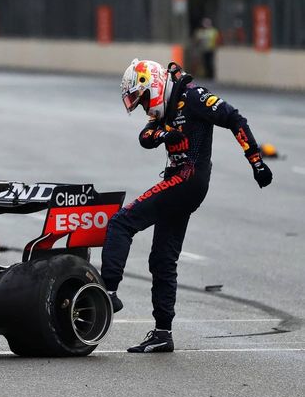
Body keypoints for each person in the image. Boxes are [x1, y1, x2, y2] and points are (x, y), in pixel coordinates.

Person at [101, 59, 272, 353]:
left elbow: (235, 118)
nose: (143, 107)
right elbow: (145, 137)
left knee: (121, 222)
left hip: (187, 180)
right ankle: (162, 333)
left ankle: (107, 293)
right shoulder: (167, 103)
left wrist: (255, 162)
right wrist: (164, 134)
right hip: (180, 182)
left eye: (142, 100)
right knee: (162, 259)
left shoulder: (194, 97)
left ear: (151, 85)